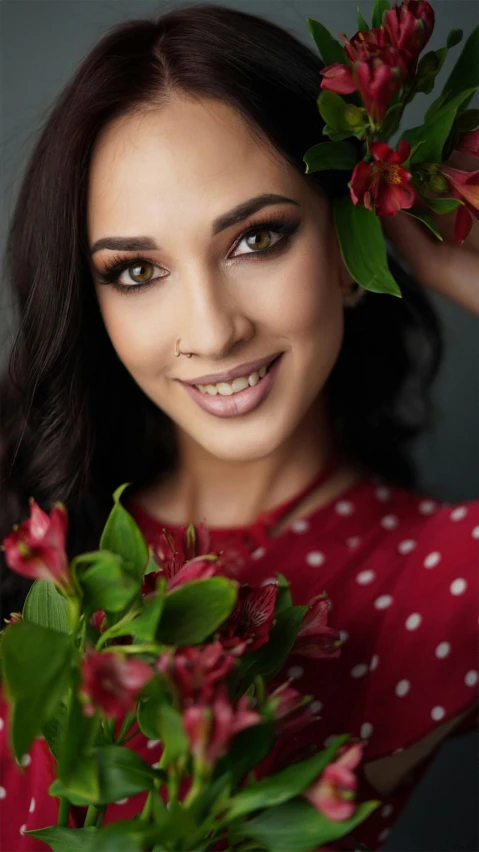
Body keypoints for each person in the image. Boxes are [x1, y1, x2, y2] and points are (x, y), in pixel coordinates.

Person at [0, 4, 477, 851]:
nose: (212, 331)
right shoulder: (30, 528)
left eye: (257, 239)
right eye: (136, 270)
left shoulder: (430, 579)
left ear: (347, 246)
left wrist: (446, 256)